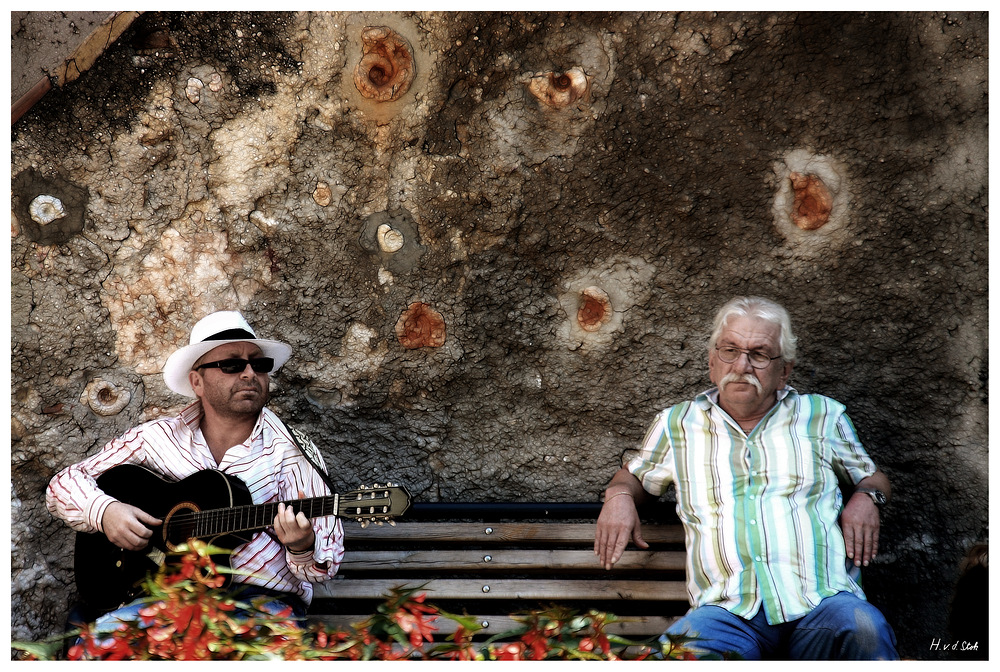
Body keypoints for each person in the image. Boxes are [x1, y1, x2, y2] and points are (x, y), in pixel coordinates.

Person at [594, 296, 899, 660]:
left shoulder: (821, 416)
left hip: (822, 605)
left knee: (864, 628)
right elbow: (632, 478)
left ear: (784, 370)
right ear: (712, 363)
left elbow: (873, 478)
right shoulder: (678, 424)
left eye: (759, 354)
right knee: (678, 658)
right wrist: (619, 498)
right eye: (730, 350)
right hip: (726, 613)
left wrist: (867, 498)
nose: (742, 365)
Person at [47, 310, 344, 626]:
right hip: (161, 600)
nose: (248, 374)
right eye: (232, 364)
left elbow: (326, 560)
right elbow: (62, 485)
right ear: (197, 381)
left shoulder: (292, 451)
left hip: (259, 606)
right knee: (103, 644)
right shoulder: (156, 438)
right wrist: (104, 512)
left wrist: (302, 546)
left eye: (259, 364)